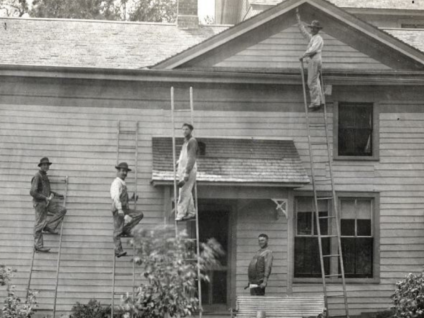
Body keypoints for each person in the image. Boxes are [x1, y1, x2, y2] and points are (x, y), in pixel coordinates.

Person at [30, 157, 67, 253]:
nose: (46, 166)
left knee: (62, 210)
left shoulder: (45, 176)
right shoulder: (37, 176)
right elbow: (33, 192)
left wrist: (56, 194)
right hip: (40, 204)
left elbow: (46, 190)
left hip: (46, 203)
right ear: (40, 166)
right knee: (39, 225)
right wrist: (45, 198)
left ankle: (49, 226)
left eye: (47, 165)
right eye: (44, 165)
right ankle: (38, 246)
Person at [110, 162, 144, 258]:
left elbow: (123, 197)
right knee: (117, 232)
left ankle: (126, 230)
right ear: (118, 171)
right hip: (118, 209)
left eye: (126, 171)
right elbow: (116, 197)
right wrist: (120, 209)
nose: (124, 173)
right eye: (122, 171)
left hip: (124, 208)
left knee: (139, 214)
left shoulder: (122, 183)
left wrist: (132, 198)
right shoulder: (116, 183)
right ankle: (118, 251)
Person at [297, 8, 325, 111]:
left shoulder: (318, 38)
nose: (312, 29)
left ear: (318, 29)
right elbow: (304, 33)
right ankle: (319, 101)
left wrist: (303, 56)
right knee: (315, 82)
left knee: (311, 82)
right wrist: (298, 21)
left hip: (315, 60)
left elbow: (313, 50)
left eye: (314, 28)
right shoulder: (313, 37)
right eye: (312, 28)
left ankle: (315, 102)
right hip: (313, 60)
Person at [175, 123, 198, 221]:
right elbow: (184, 156)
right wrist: (178, 162)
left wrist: (186, 173)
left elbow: (191, 158)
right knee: (187, 191)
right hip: (183, 168)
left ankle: (181, 214)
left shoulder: (192, 141)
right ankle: (192, 212)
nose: (184, 131)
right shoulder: (186, 141)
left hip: (189, 169)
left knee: (183, 191)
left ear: (191, 130)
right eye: (183, 129)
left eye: (186, 129)